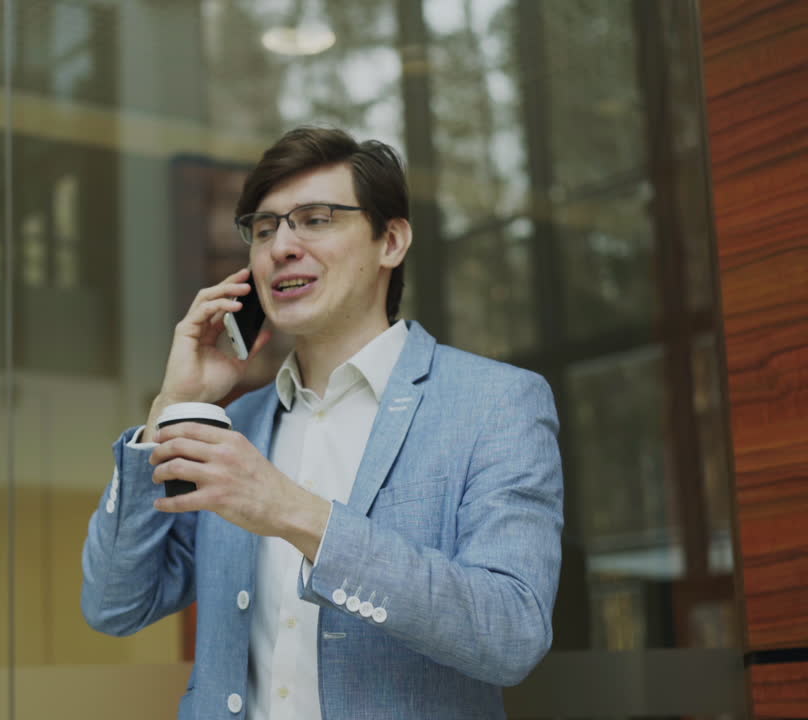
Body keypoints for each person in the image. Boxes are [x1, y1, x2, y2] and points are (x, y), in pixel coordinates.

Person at [81, 126, 563, 719]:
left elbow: (511, 633)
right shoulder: (235, 427)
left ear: (391, 241)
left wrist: (294, 512)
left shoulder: (496, 404)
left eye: (315, 219)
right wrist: (172, 405)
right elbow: (114, 604)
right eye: (264, 228)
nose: (282, 246)